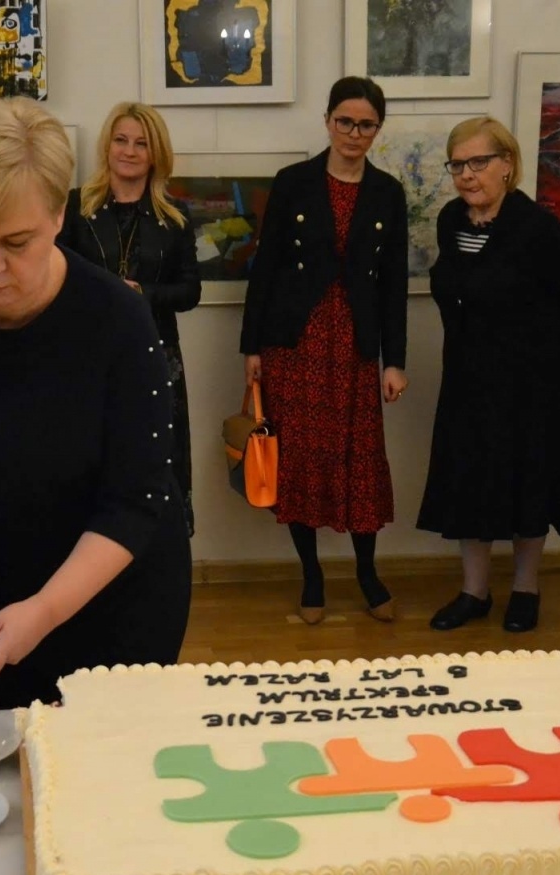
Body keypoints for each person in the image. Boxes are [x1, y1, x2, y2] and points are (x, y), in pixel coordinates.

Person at [0, 98, 192, 709]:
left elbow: (135, 502)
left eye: (15, 242)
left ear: (57, 215)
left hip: (114, 598)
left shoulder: (118, 320)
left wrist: (46, 609)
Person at [239, 76, 408, 624]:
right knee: (300, 461)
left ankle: (366, 572)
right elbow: (265, 269)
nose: (354, 133)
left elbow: (394, 283)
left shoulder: (387, 192)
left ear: (377, 130)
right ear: (328, 121)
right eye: (345, 121)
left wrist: (395, 360)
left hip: (356, 344)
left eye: (366, 125)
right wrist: (251, 347)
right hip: (295, 343)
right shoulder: (293, 183)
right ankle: (311, 576)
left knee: (359, 460)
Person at [418, 116, 560, 634]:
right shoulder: (452, 221)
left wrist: (548, 370)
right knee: (468, 483)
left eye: (479, 162)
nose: (466, 175)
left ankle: (525, 588)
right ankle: (474, 592)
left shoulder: (540, 229)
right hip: (469, 383)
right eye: (458, 164)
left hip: (533, 387)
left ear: (507, 165)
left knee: (527, 485)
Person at [59, 102, 201, 534]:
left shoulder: (174, 218)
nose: (130, 151)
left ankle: (158, 552)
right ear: (107, 146)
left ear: (156, 153)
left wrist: (146, 295)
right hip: (88, 355)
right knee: (94, 458)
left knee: (156, 459)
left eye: (141, 143)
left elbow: (191, 291)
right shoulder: (74, 207)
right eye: (121, 140)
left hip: (156, 353)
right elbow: (55, 275)